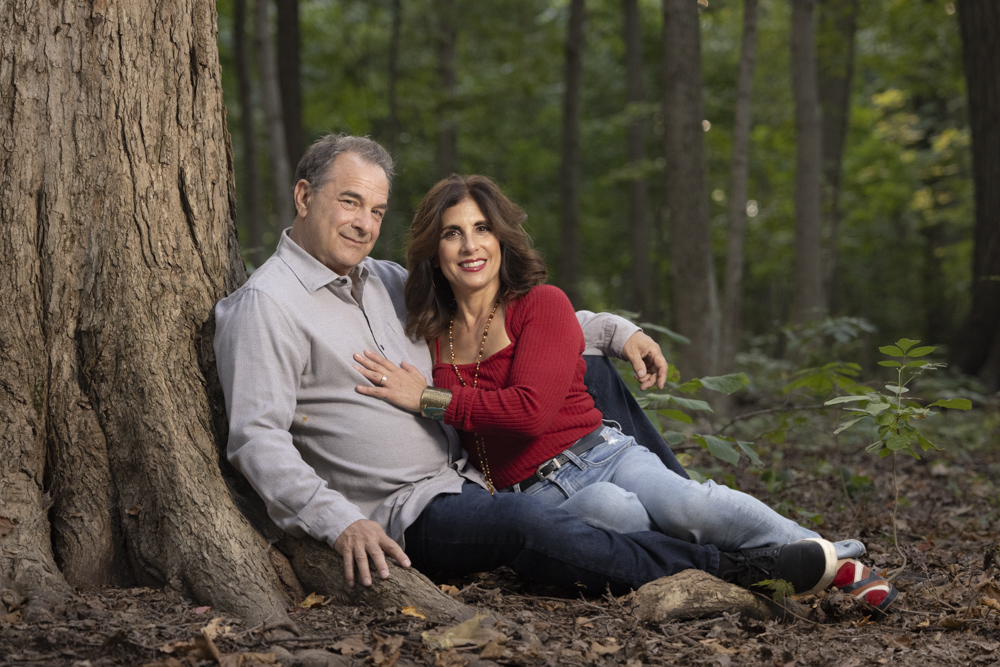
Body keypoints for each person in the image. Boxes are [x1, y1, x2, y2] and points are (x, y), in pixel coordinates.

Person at [351, 174, 897, 615]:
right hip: (533, 496)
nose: (470, 246)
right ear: (434, 249)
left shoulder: (540, 304)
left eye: (482, 229)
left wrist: (428, 398)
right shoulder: (428, 335)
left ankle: (834, 560)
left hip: (600, 454)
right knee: (616, 517)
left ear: (502, 240)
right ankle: (767, 573)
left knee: (689, 503)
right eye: (453, 233)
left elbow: (530, 412)